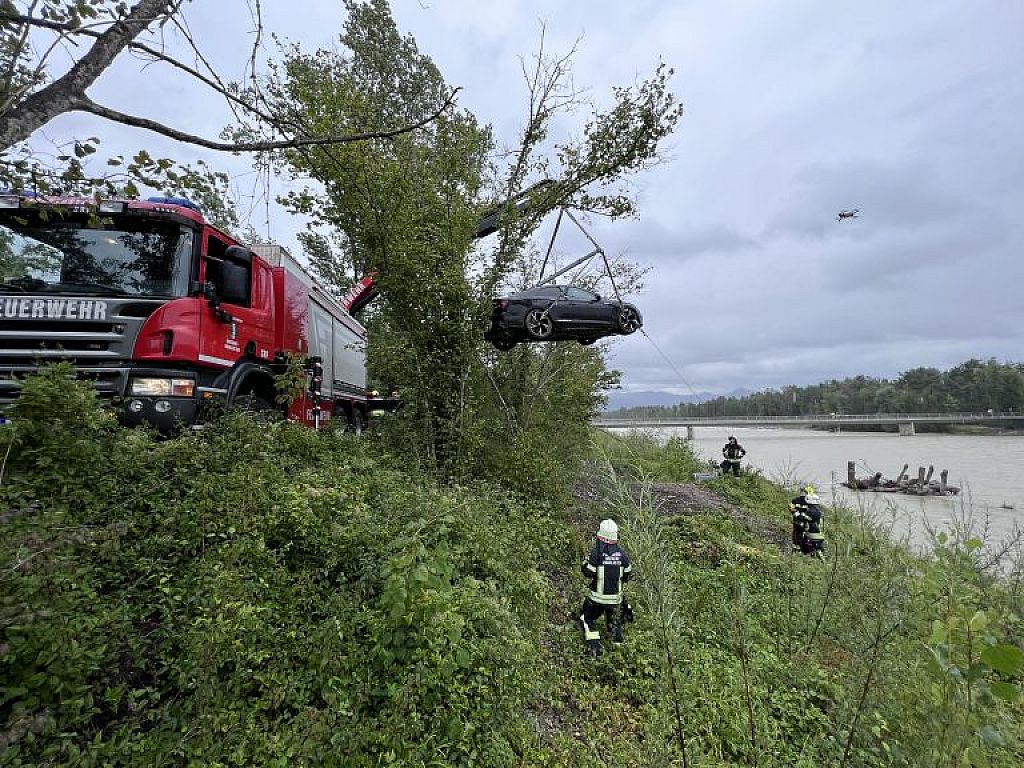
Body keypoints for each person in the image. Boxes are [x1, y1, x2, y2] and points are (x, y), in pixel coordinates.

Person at [580, 519, 633, 657]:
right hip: (616, 601)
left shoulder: (596, 553)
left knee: (587, 618)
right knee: (615, 625)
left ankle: (594, 647)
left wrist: (585, 562)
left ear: (600, 537)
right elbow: (627, 575)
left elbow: (588, 572)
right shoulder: (623, 555)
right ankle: (619, 655)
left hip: (596, 600)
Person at [792, 491, 826, 556]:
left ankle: (805, 557)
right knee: (818, 550)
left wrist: (796, 513)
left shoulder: (811, 511)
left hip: (813, 535)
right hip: (820, 535)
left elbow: (802, 518)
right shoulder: (819, 510)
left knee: (805, 548)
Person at [789, 485, 814, 549]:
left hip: (796, 519)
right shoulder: (808, 502)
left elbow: (791, 508)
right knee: (800, 532)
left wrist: (796, 514)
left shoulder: (795, 500)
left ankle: (795, 545)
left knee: (795, 531)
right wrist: (805, 517)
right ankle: (798, 546)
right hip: (803, 520)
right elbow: (810, 512)